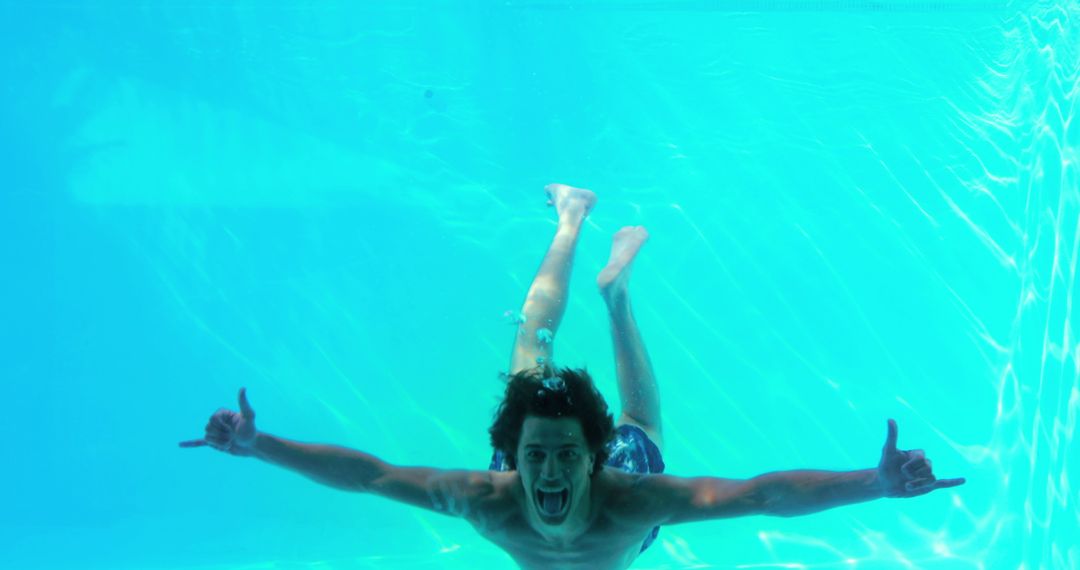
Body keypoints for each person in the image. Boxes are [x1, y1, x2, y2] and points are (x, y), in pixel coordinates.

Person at [181, 183, 965, 570]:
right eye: (537, 454)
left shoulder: (632, 499)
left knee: (640, 423)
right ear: (514, 459)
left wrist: (875, 483)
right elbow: (373, 476)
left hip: (621, 478)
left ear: (587, 457)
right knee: (533, 341)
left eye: (562, 453)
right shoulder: (491, 498)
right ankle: (574, 224)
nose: (550, 469)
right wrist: (261, 446)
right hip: (558, 468)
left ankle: (615, 292)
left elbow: (764, 495)